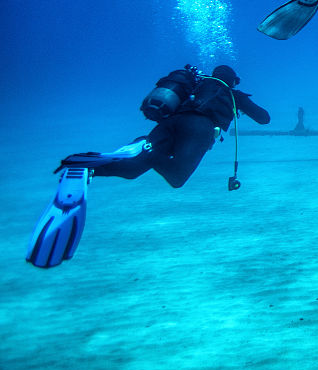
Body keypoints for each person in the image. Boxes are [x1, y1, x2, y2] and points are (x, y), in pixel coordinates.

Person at [27, 65, 270, 268]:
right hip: (199, 129)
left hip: (171, 122)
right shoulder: (231, 93)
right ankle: (146, 148)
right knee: (176, 178)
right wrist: (240, 104)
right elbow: (264, 118)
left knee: (132, 170)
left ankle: (91, 166)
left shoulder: (195, 87)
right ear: (233, 80)